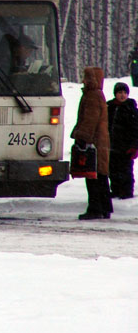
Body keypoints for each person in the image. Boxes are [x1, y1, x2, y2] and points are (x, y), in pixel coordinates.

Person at [70, 67, 112, 220]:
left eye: (86, 77)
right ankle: (105, 208)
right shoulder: (98, 94)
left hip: (93, 142)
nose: (84, 80)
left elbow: (90, 119)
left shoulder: (92, 96)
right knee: (101, 175)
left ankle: (95, 208)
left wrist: (82, 137)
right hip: (100, 141)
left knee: (93, 176)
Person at [107, 82, 138, 199]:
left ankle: (127, 191)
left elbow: (135, 129)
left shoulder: (131, 109)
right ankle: (115, 189)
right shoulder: (110, 107)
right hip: (112, 145)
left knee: (126, 170)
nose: (122, 95)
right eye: (120, 92)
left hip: (126, 146)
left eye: (125, 93)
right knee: (113, 170)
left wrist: (134, 146)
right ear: (115, 94)